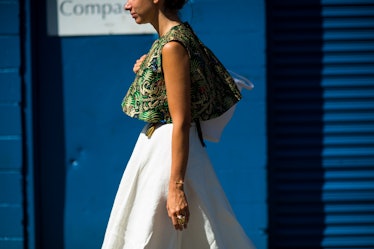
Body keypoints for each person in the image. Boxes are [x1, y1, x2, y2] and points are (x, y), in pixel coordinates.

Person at [101, 0, 256, 248]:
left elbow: (180, 119)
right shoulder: (172, 40)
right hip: (165, 150)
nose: (127, 5)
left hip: (167, 156)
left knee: (151, 236)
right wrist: (149, 69)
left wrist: (175, 188)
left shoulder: (172, 45)